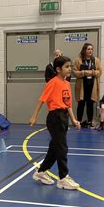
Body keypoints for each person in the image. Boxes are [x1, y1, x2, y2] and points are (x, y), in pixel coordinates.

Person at [29, 55, 81, 190]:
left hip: (64, 117)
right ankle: (63, 178)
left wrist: (74, 119)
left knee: (55, 148)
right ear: (58, 69)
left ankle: (41, 172)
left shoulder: (67, 84)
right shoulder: (53, 82)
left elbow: (68, 104)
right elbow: (42, 99)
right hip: (55, 117)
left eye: (70, 66)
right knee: (62, 148)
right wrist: (34, 116)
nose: (70, 69)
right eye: (67, 67)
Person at [73, 43, 102, 127]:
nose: (90, 51)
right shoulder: (78, 60)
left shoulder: (96, 60)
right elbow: (74, 72)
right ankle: (78, 122)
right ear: (84, 50)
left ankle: (90, 122)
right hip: (82, 85)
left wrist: (92, 72)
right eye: (88, 49)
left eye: (91, 49)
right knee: (81, 104)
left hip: (92, 85)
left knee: (90, 104)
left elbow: (99, 72)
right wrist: (84, 73)